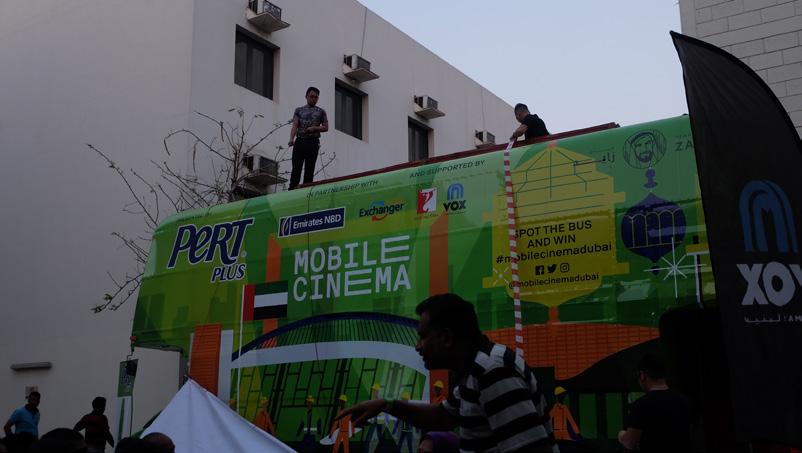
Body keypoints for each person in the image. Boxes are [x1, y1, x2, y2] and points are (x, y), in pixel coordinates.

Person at [338, 293, 558, 453]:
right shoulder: (472, 370)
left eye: (423, 336)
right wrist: (387, 405)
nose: (417, 346)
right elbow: (444, 417)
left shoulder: (492, 370)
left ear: (446, 338)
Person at [618, 353, 692, 452]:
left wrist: (621, 434)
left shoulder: (641, 405)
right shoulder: (683, 401)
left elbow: (630, 443)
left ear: (642, 375)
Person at [288, 86, 328, 190]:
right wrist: (291, 139)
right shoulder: (299, 110)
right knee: (296, 167)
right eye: (311, 96)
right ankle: (292, 188)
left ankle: (306, 189)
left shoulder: (321, 111)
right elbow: (295, 125)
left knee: (310, 168)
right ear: (306, 96)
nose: (314, 99)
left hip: (313, 142)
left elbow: (326, 127)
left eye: (316, 97)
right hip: (300, 141)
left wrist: (314, 128)